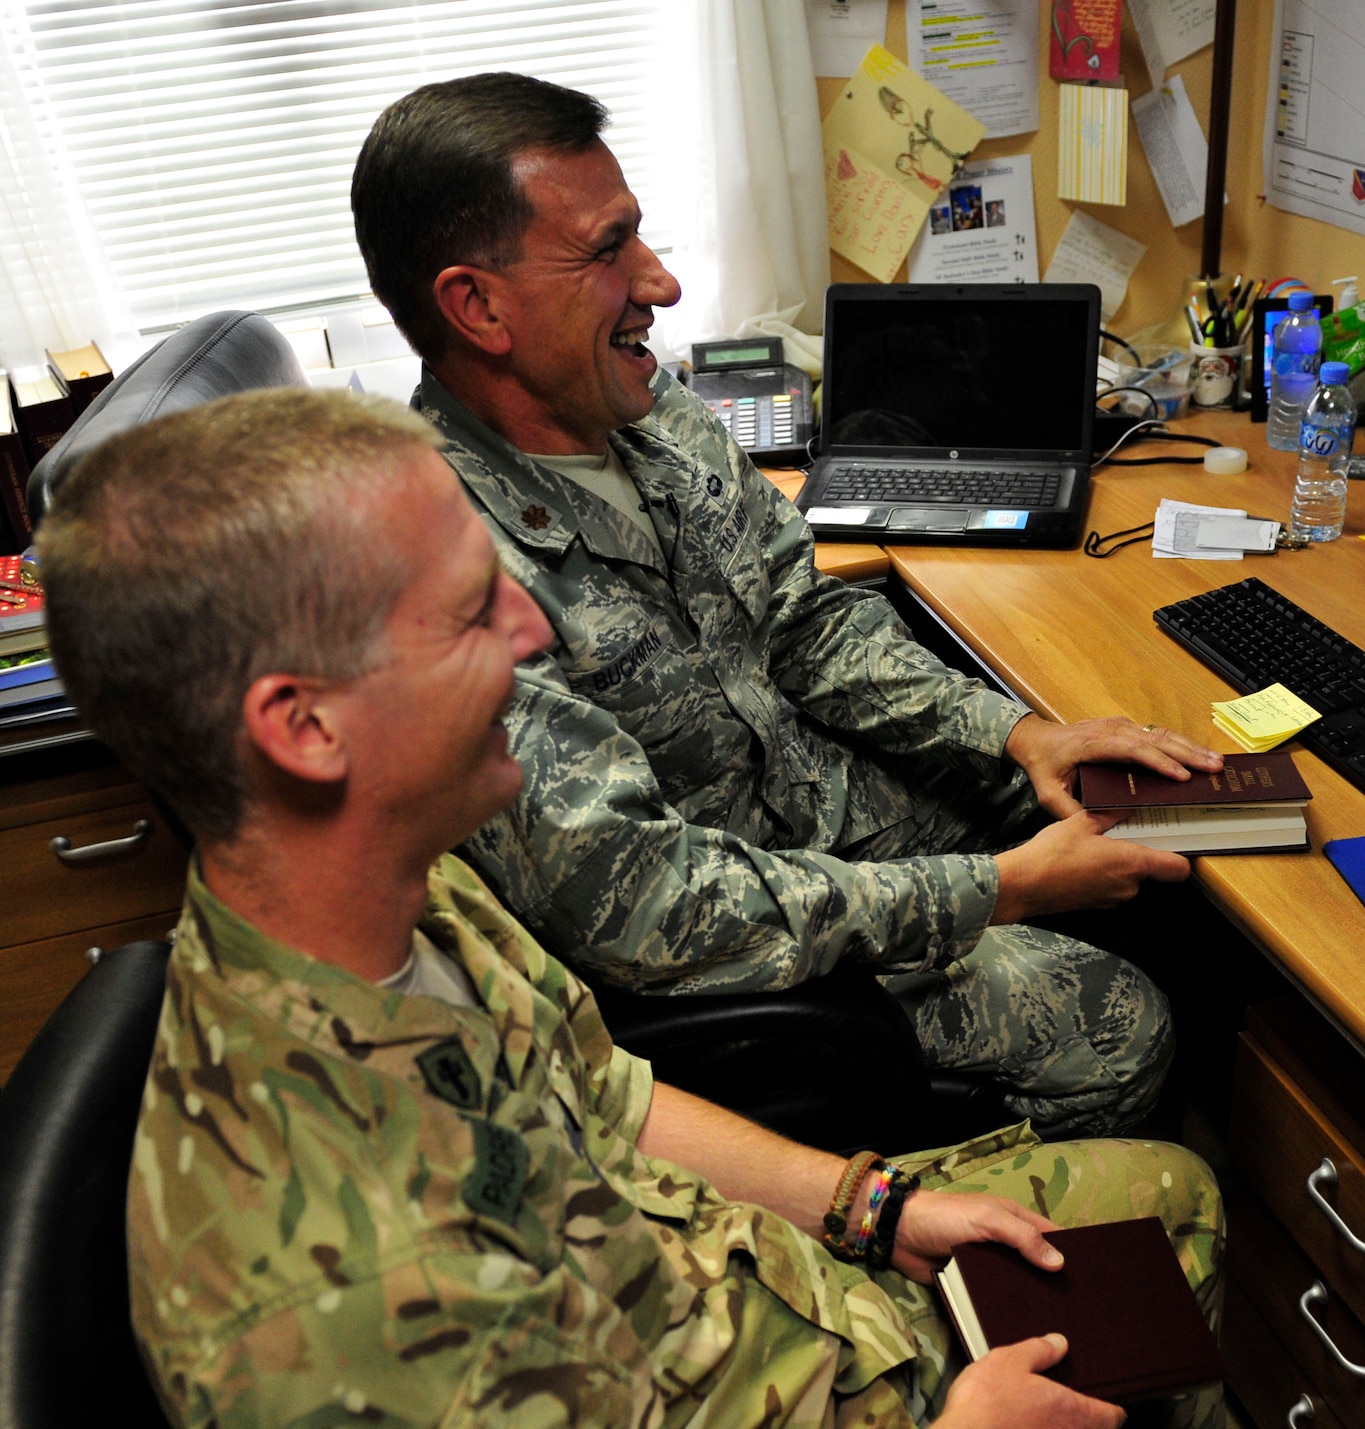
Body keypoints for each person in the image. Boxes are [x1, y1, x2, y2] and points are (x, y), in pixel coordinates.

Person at [40, 388, 1223, 1429]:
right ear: (305, 728)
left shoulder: (401, 888)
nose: (532, 631)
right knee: (1169, 1232)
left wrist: (868, 1208)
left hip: (744, 1292)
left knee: (1168, 1196)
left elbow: (606, 1096)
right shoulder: (358, 1306)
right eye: (470, 611)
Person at [348, 72, 1225, 1139]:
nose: (661, 282)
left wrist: (1015, 733)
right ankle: (996, 1219)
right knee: (1120, 1026)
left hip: (836, 810)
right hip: (739, 945)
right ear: (477, 306)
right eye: (608, 250)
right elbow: (647, 905)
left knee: (1139, 812)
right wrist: (997, 888)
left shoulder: (651, 411)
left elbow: (804, 623)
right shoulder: (442, 578)